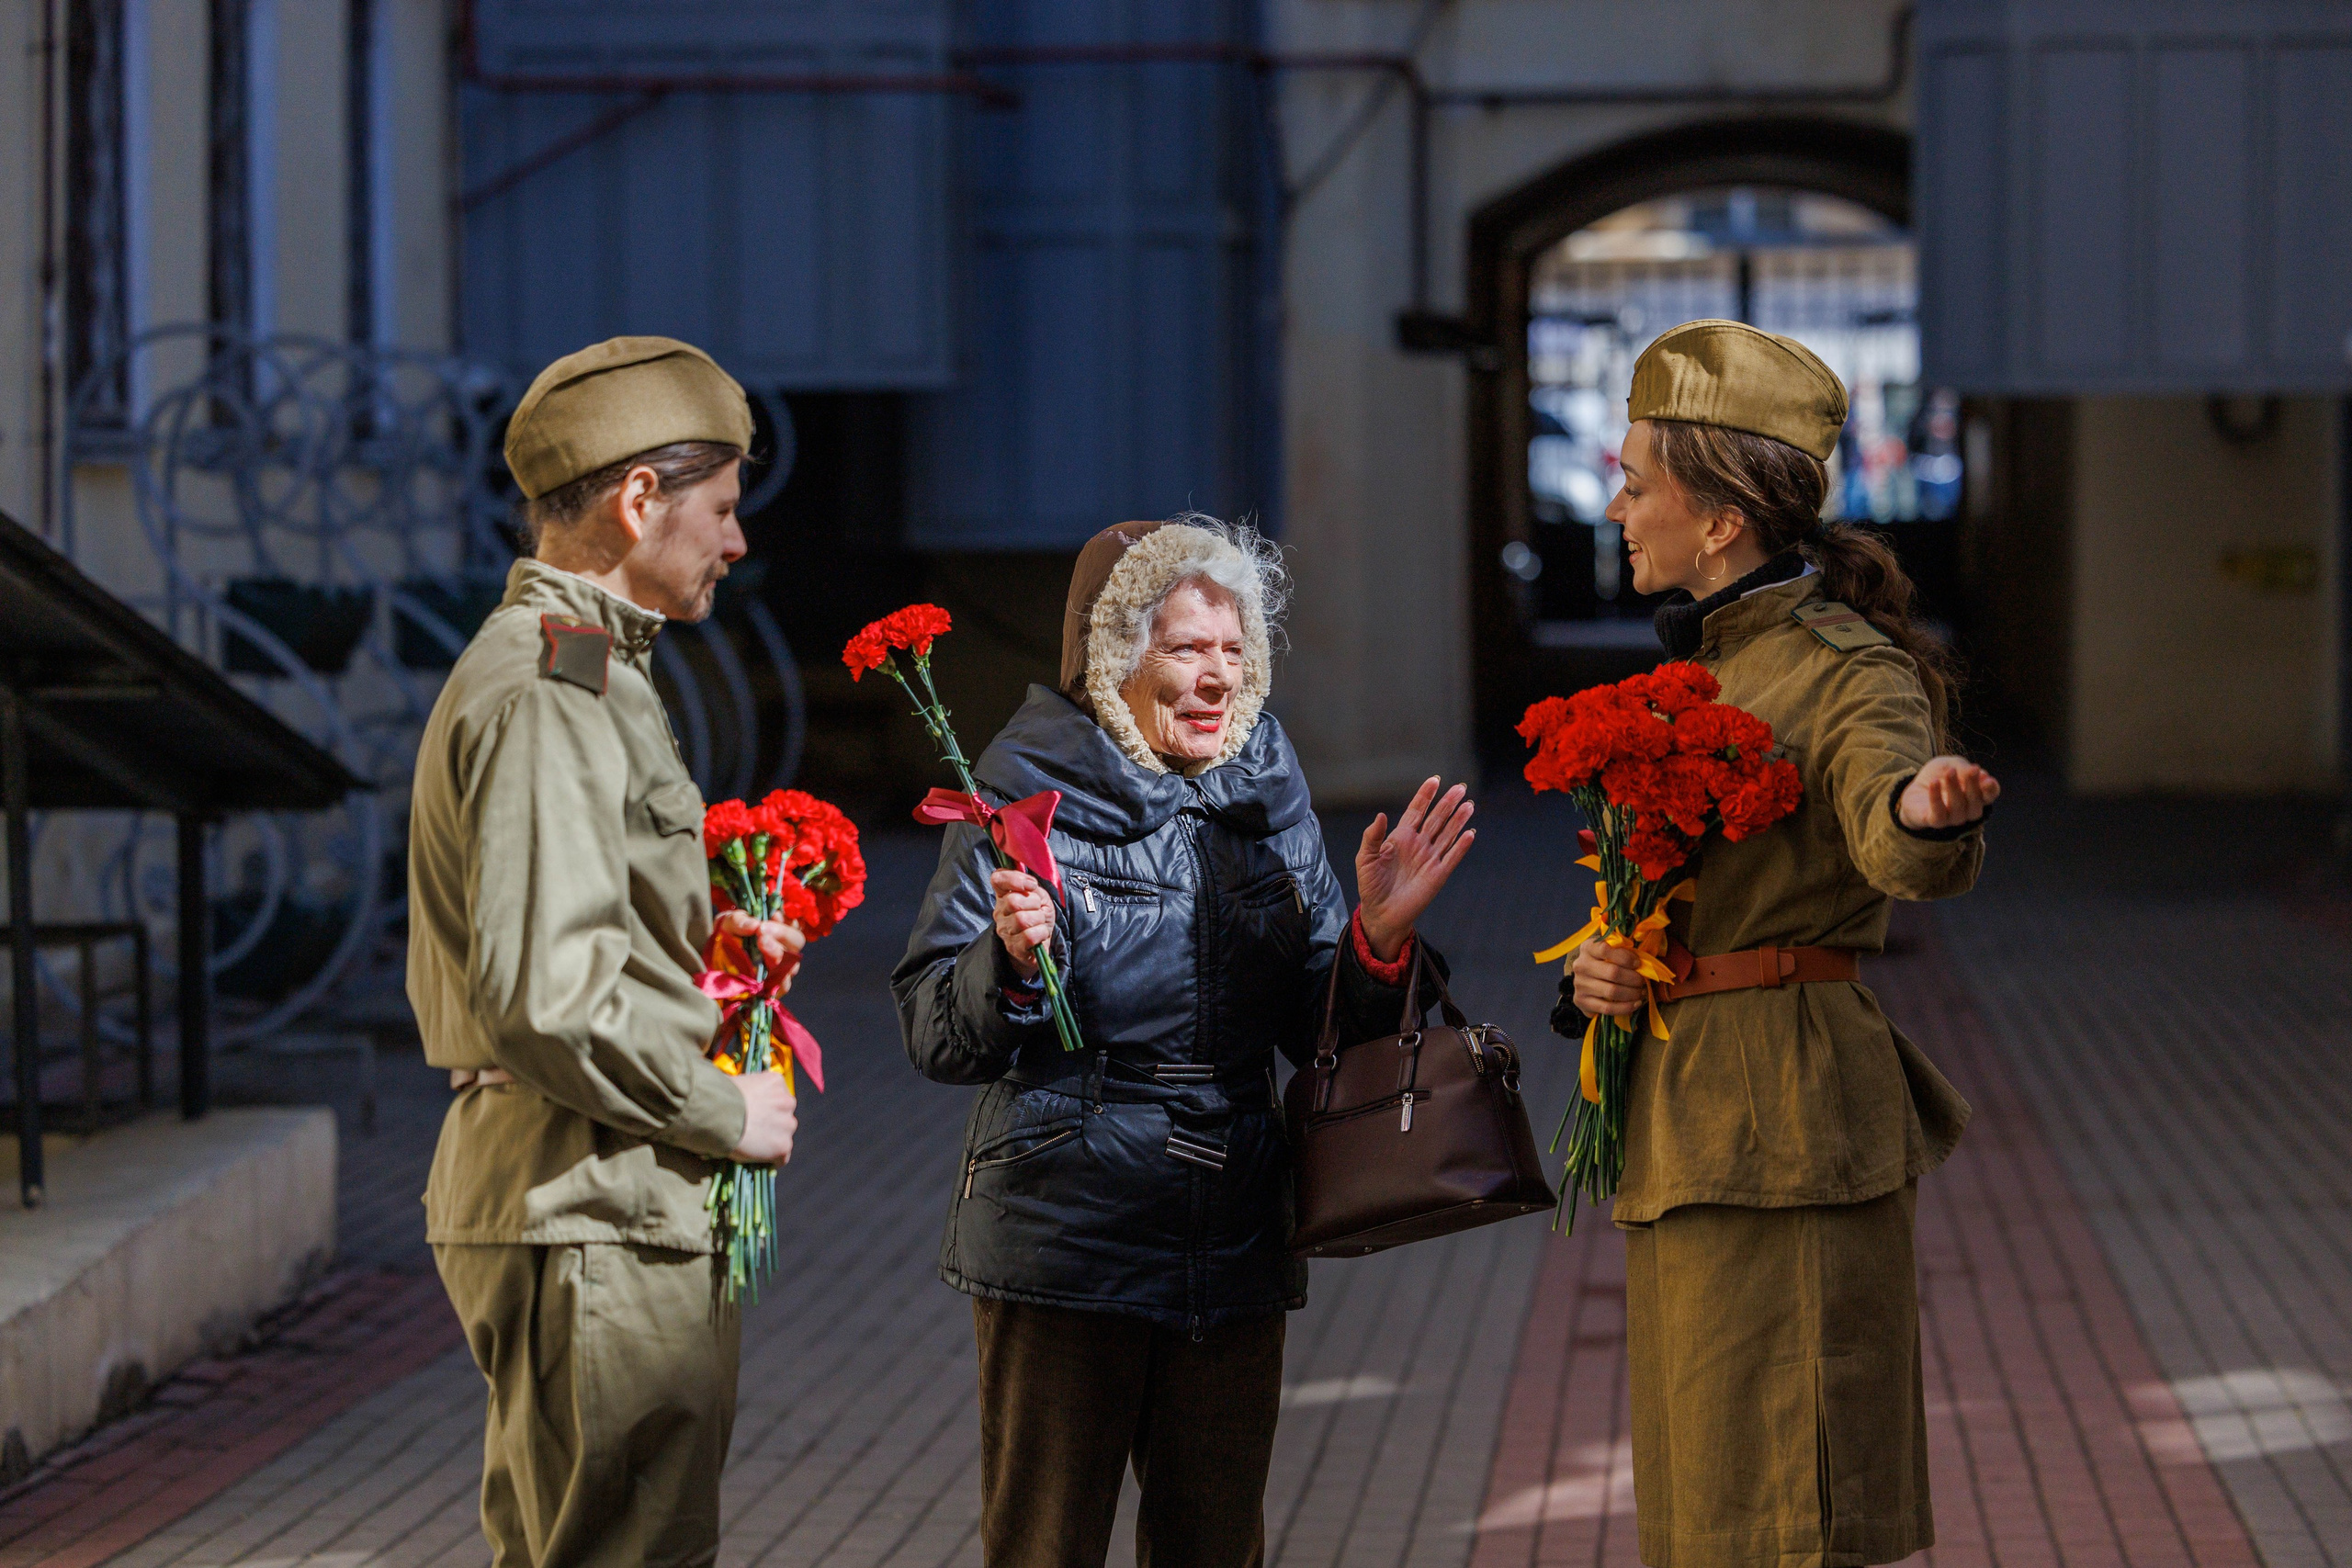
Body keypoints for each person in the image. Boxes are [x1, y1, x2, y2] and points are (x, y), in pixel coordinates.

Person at [893, 515, 1476, 1567]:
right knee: (1045, 1546)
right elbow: (934, 1029)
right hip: (1067, 1230)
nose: (1217, 678)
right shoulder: (1021, 791)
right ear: (1113, 655)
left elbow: (1315, 1032)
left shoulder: (1266, 791)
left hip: (1235, 1226)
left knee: (1216, 1547)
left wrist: (1377, 942)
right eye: (1185, 649)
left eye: (1234, 650)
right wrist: (1012, 968)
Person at [1570, 320, 1998, 1568]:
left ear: (1720, 518)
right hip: (1686, 1103)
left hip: (1782, 1116)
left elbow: (1887, 815)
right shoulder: (1704, 661)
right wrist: (1608, 965)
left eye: (1637, 481)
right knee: (1705, 1505)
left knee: (1786, 1510)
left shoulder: (1842, 668)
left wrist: (1923, 814)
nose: (1616, 504)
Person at [407, 336, 803, 1568]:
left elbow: (569, 925)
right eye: (723, 506)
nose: (737, 541)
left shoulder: (584, 668)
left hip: (594, 1192)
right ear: (639, 500)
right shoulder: (552, 687)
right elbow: (550, 993)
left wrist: (697, 944)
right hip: (593, 1196)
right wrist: (720, 1104)